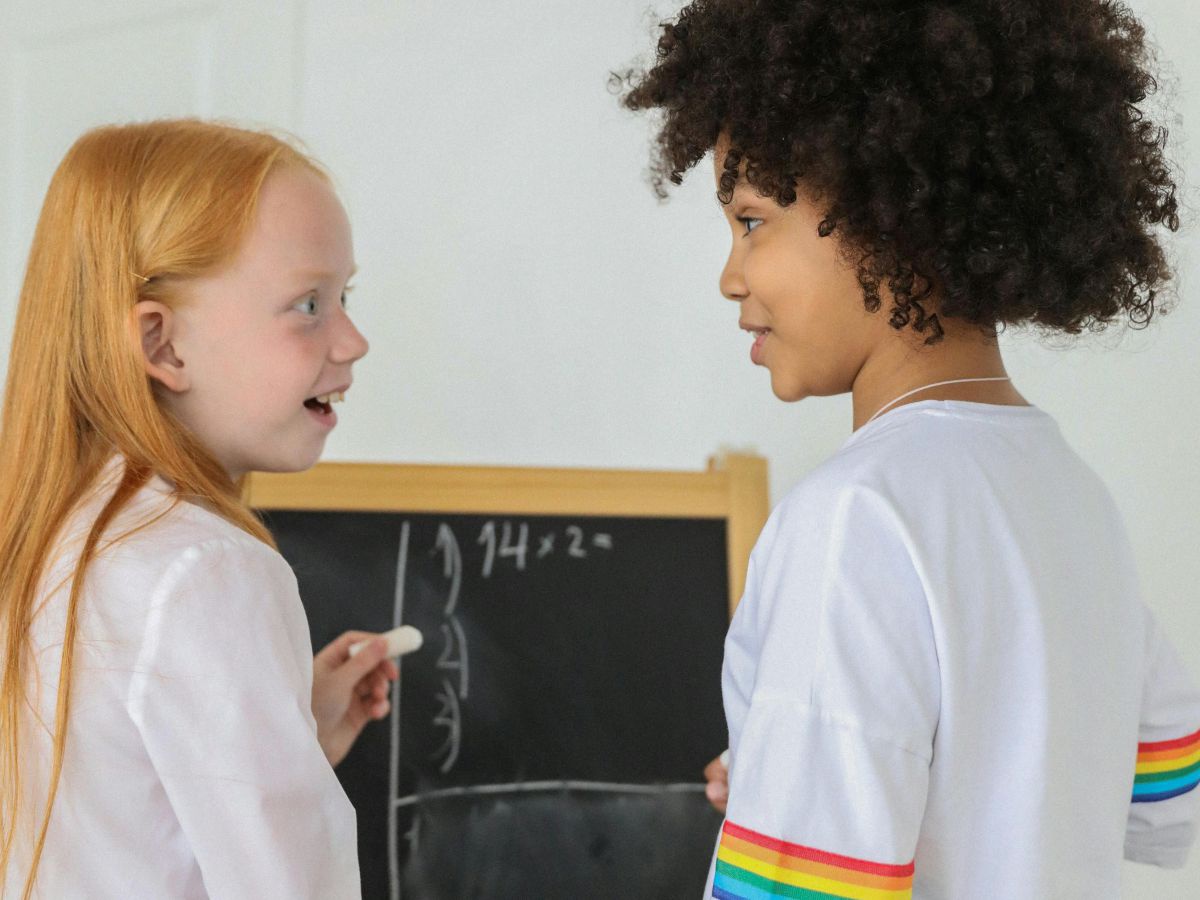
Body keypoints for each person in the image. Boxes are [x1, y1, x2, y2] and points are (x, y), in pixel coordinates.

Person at [620, 0, 1199, 896]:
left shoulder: (855, 520)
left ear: (890, 216)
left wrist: (809, 785)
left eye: (751, 220)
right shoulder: (1074, 498)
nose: (730, 274)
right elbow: (1165, 796)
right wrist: (803, 771)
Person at [0, 120, 397, 898]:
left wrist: (288, 728)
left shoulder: (53, 535)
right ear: (164, 347)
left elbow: (120, 813)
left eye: (344, 296)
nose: (353, 340)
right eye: (309, 303)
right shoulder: (208, 569)